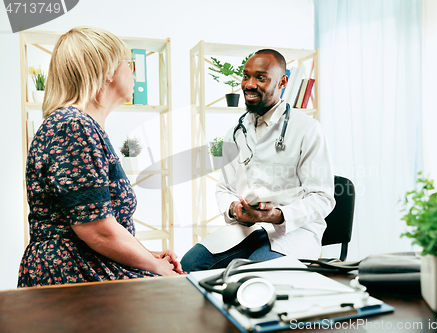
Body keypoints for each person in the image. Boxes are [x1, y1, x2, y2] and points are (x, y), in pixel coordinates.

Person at [18, 27, 182, 288]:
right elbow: (95, 230)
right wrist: (158, 268)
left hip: (84, 265)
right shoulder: (72, 126)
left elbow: (101, 224)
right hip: (73, 273)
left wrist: (148, 256)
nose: (134, 73)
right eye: (129, 64)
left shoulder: (80, 126)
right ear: (107, 72)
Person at [180, 49, 334, 273]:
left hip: (294, 230)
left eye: (261, 78)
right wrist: (234, 209)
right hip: (248, 228)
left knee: (251, 274)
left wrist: (276, 216)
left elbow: (323, 198)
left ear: (282, 82)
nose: (249, 85)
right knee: (189, 266)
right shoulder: (236, 133)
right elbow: (224, 188)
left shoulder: (307, 129)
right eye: (246, 76)